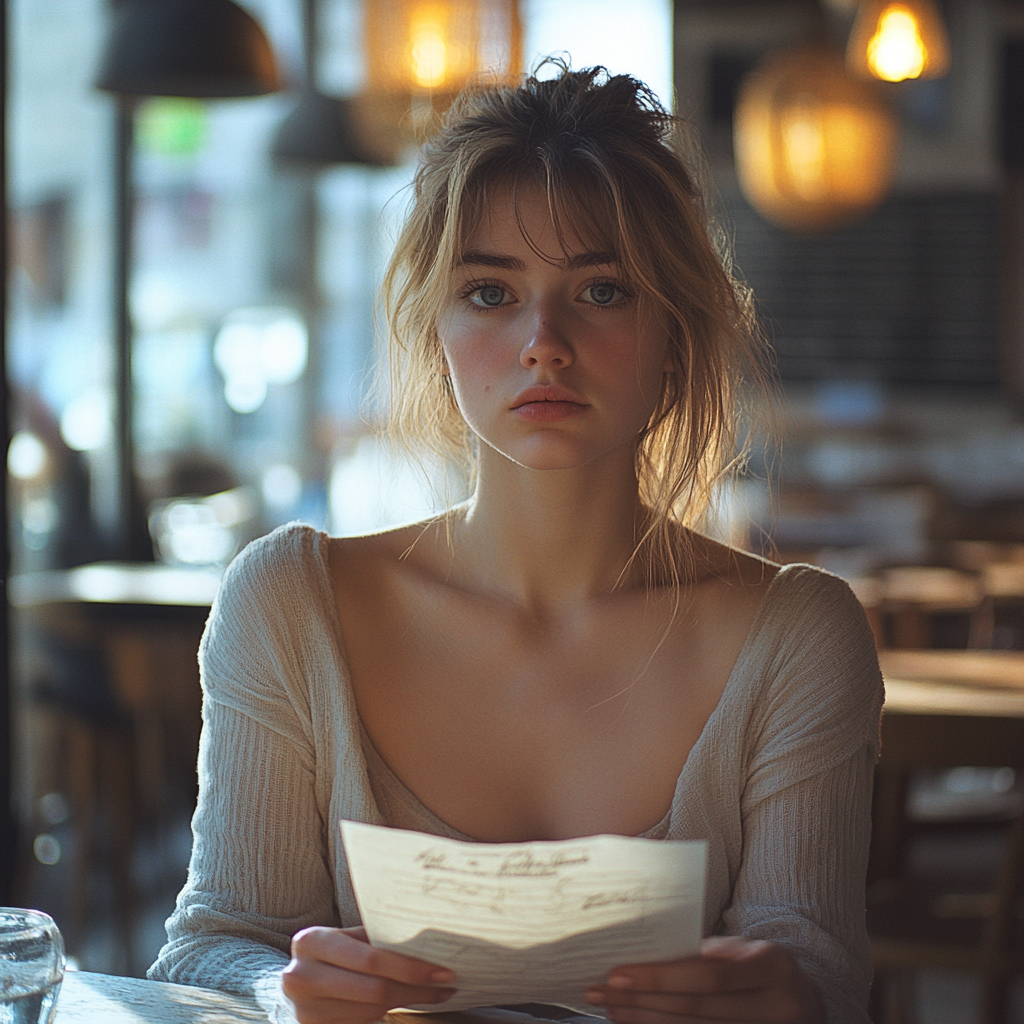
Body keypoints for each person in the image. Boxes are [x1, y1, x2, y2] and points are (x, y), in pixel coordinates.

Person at [149, 65, 883, 1024]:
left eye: (604, 289)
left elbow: (822, 975)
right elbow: (210, 947)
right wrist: (279, 993)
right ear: (436, 332)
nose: (544, 340)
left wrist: (784, 1000)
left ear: (676, 335)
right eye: (491, 291)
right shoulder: (292, 604)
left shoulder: (794, 637)